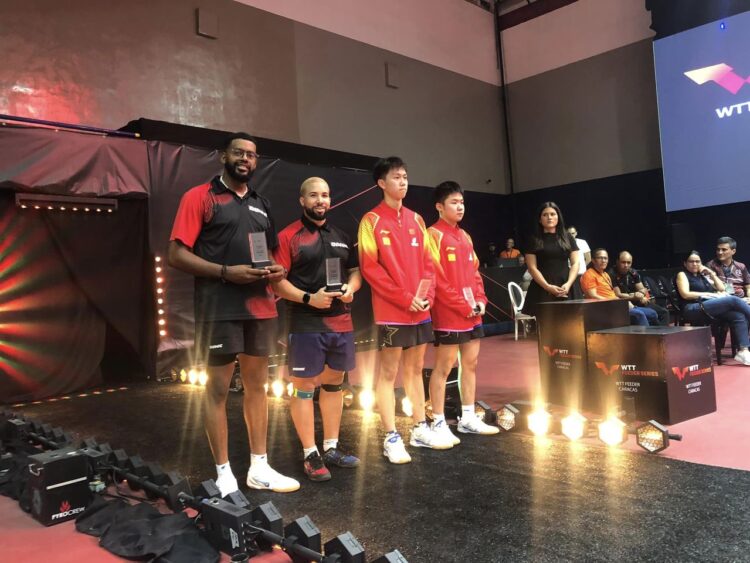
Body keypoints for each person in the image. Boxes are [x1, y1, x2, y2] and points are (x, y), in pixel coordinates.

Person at [168, 132, 299, 496]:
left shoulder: (261, 204)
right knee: (217, 391)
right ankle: (224, 473)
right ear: (223, 156)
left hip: (259, 308)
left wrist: (277, 271)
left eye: (252, 155)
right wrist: (226, 272)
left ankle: (259, 467)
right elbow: (176, 255)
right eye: (239, 152)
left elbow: (271, 255)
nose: (246, 159)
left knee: (258, 387)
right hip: (217, 309)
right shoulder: (200, 197)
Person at [358, 156, 453, 464]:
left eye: (405, 177)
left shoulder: (416, 220)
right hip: (391, 311)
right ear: (381, 183)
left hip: (420, 309)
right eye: (396, 177)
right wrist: (403, 297)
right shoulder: (370, 221)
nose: (403, 182)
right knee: (388, 374)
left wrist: (426, 296)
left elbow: (429, 263)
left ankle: (418, 427)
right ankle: (390, 436)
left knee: (414, 370)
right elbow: (370, 268)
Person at [271, 177, 362, 482]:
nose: (320, 200)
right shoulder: (288, 237)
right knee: (305, 385)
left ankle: (331, 447)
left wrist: (351, 288)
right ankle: (310, 453)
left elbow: (355, 271)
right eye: (313, 195)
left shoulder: (340, 235)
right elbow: (277, 282)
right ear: (302, 200)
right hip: (305, 323)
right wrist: (309, 298)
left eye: (325, 194)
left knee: (335, 382)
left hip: (342, 323)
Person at [427, 181, 499, 445]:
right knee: (444, 366)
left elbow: (475, 272)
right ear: (439, 206)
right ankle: (437, 422)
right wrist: (462, 304)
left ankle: (468, 417)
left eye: (462, 202)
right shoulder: (432, 235)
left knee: (471, 364)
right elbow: (437, 278)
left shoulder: (465, 236)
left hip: (473, 312)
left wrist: (480, 300)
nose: (460, 207)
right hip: (448, 313)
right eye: (454, 203)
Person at [676, 250, 750, 365]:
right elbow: (685, 294)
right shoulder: (682, 274)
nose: (695, 264)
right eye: (691, 262)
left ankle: (743, 350)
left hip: (707, 307)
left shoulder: (703, 276)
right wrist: (708, 294)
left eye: (698, 261)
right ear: (685, 263)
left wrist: (711, 273)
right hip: (692, 308)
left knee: (738, 315)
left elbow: (721, 288)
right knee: (733, 300)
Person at [522, 202, 580, 316]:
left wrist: (568, 284)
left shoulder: (568, 237)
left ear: (558, 216)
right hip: (542, 287)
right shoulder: (534, 240)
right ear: (539, 219)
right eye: (545, 215)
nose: (549, 217)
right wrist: (547, 287)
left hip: (567, 285)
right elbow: (532, 268)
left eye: (553, 214)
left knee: (572, 325)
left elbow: (575, 263)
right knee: (547, 326)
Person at [580, 249, 658, 326]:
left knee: (652, 313)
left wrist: (624, 302)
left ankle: (657, 337)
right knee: (639, 315)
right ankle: (645, 338)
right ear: (593, 260)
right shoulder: (589, 274)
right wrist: (618, 303)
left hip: (617, 305)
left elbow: (614, 293)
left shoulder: (605, 274)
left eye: (605, 258)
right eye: (600, 258)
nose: (603, 261)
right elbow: (592, 296)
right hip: (605, 308)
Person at [611, 250, 669, 326]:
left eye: (629, 263)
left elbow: (643, 289)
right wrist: (635, 296)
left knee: (664, 312)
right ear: (617, 262)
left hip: (638, 301)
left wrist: (641, 294)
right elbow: (618, 294)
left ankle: (660, 335)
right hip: (625, 304)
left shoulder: (633, 272)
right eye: (623, 262)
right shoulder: (611, 273)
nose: (626, 265)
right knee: (649, 314)